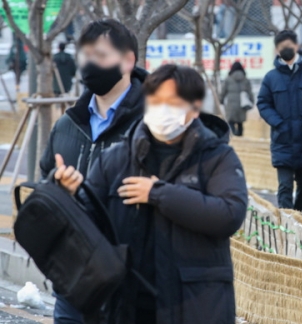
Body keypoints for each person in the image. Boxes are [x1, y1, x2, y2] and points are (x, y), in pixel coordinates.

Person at [53, 64, 248, 324]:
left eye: (171, 101)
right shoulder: (117, 158)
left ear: (193, 106)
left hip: (194, 304)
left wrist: (159, 194)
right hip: (127, 304)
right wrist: (70, 194)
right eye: (155, 101)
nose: (161, 109)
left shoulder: (217, 157)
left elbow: (229, 215)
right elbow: (89, 223)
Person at [39, 19, 147, 324]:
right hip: (73, 280)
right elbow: (43, 184)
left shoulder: (156, 125)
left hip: (133, 283)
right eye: (85, 55)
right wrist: (56, 187)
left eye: (100, 55)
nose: (90, 64)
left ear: (128, 60)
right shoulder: (66, 125)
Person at [257, 30, 302, 213]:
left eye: (289, 46)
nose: (286, 50)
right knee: (285, 186)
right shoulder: (271, 78)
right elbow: (263, 103)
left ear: (297, 47)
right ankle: (288, 224)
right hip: (283, 140)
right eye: (282, 47)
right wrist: (278, 123)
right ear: (276, 50)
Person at [220, 61, 254, 136]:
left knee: (231, 121)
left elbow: (223, 91)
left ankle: (233, 135)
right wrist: (252, 101)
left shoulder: (228, 79)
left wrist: (221, 100)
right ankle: (240, 135)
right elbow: (250, 92)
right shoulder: (245, 80)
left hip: (231, 104)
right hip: (242, 104)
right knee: (240, 122)